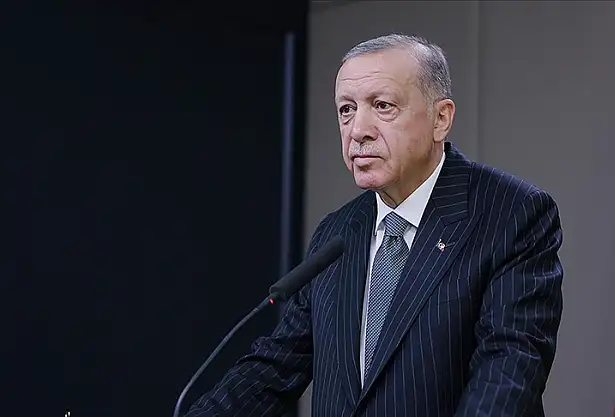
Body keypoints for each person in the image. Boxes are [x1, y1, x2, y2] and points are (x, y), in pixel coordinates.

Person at [184, 33, 564, 417]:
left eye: (382, 106)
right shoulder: (336, 232)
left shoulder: (512, 214)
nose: (357, 130)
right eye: (346, 110)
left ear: (441, 118)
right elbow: (275, 369)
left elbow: (508, 371)